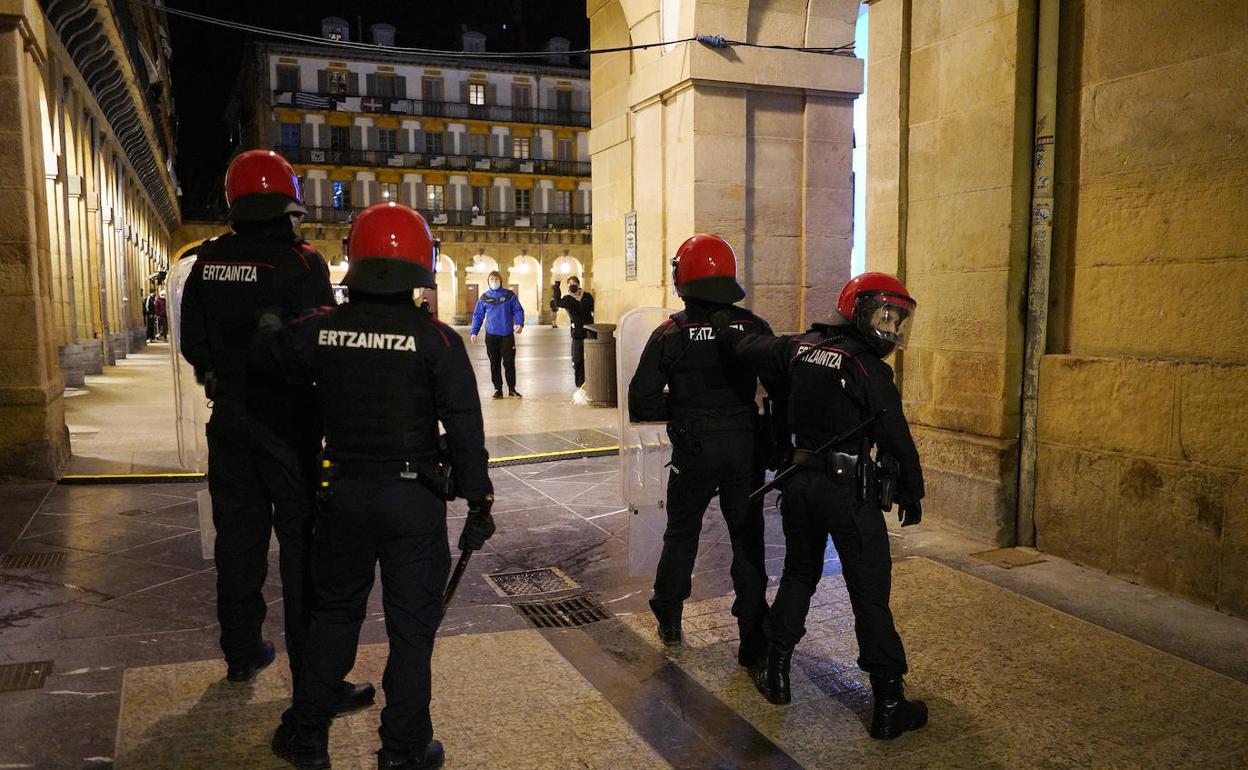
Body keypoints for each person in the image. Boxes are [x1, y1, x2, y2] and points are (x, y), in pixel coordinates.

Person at [262, 202, 495, 770]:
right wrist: (478, 498)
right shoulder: (437, 342)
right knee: (413, 632)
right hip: (414, 500)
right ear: (421, 266)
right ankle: (404, 750)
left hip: (341, 495)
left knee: (335, 615)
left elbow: (268, 356)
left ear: (355, 260)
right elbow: (465, 428)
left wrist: (270, 320)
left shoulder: (322, 328)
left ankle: (310, 734)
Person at [179, 149, 372, 713]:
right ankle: (317, 678)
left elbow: (193, 344)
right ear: (285, 204)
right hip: (288, 425)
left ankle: (241, 652)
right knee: (302, 550)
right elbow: (322, 345)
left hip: (230, 420)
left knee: (237, 545)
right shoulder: (302, 263)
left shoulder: (206, 262)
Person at [713, 271, 928, 740]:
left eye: (897, 319)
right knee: (868, 593)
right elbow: (896, 437)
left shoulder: (799, 348)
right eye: (883, 316)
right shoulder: (867, 367)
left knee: (799, 573)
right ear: (857, 311)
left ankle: (776, 672)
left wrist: (722, 320)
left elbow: (749, 348)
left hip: (799, 484)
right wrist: (913, 491)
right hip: (847, 492)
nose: (890, 328)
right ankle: (889, 703)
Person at [627, 234, 777, 669]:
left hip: (694, 446)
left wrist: (685, 406)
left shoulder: (670, 333)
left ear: (683, 277)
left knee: (682, 532)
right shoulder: (752, 327)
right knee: (746, 537)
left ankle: (670, 617)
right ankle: (752, 636)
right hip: (744, 446)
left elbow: (643, 401)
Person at [469, 270, 525, 399]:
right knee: (494, 363)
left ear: (500, 280)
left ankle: (512, 389)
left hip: (506, 335)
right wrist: (474, 331)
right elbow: (478, 315)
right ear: (488, 282)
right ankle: (498, 389)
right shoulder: (484, 298)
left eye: (496, 279)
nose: (494, 281)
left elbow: (518, 310)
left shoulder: (509, 295)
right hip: (491, 335)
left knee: (509, 362)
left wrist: (519, 323)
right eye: (491, 279)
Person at [557, 276, 595, 389]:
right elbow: (557, 302)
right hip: (577, 333)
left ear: (578, 285)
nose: (572, 286)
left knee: (590, 358)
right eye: (570, 284)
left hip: (589, 331)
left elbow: (593, 309)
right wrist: (557, 285)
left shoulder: (587, 297)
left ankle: (591, 382)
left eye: (574, 284)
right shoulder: (568, 299)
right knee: (577, 359)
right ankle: (580, 384)